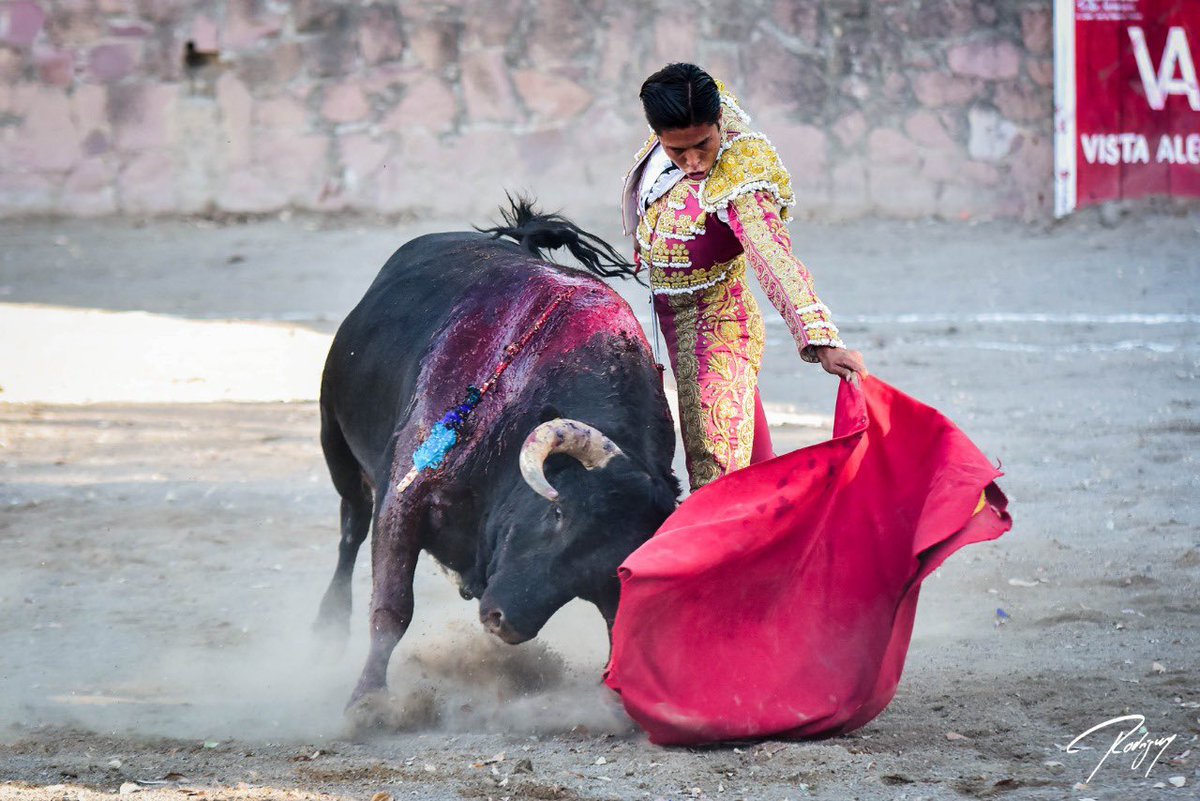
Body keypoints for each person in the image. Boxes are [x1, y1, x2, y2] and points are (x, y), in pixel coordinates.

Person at [621, 63, 868, 490]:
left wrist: (823, 341)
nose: (694, 162)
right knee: (752, 462)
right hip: (672, 325)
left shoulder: (743, 177)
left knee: (720, 476)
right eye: (678, 151)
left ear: (720, 123)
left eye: (703, 145)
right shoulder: (682, 119)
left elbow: (773, 256)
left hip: (717, 331)